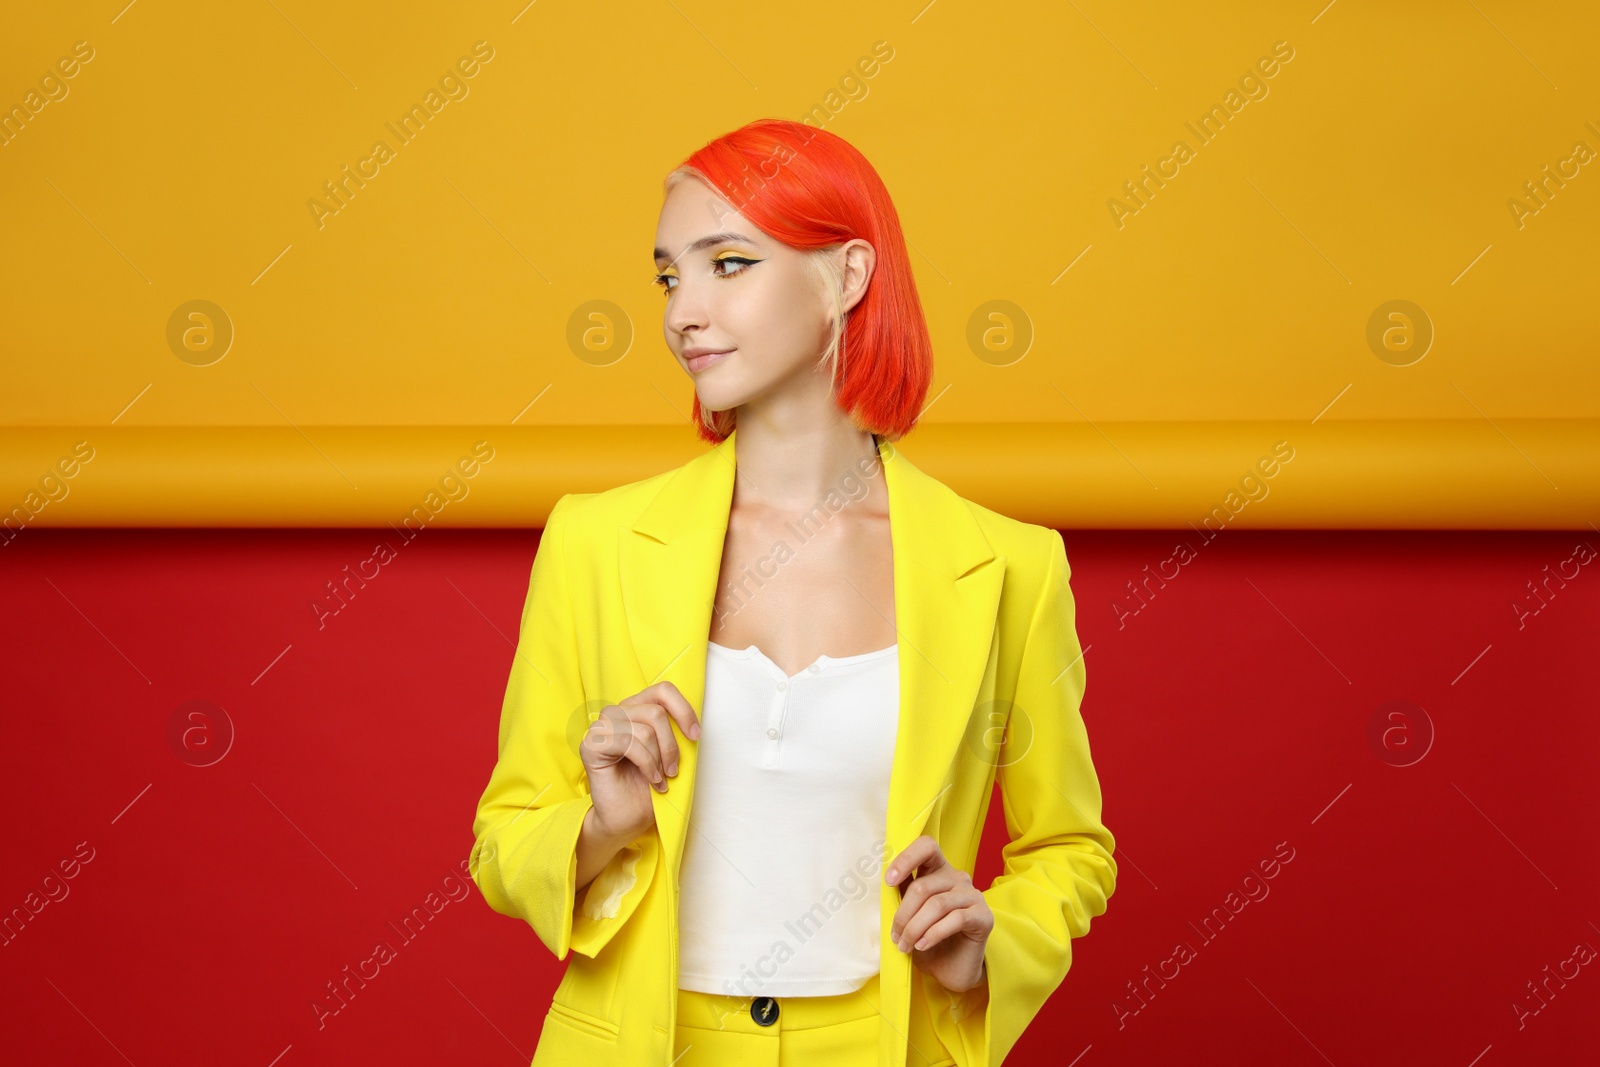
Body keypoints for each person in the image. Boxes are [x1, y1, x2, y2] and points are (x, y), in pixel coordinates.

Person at [468, 117, 1117, 1067]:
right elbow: (502, 839)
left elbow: (1071, 846)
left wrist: (992, 942)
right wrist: (602, 826)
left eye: (728, 264)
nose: (683, 311)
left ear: (847, 276)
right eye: (667, 276)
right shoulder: (595, 543)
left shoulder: (1009, 565)